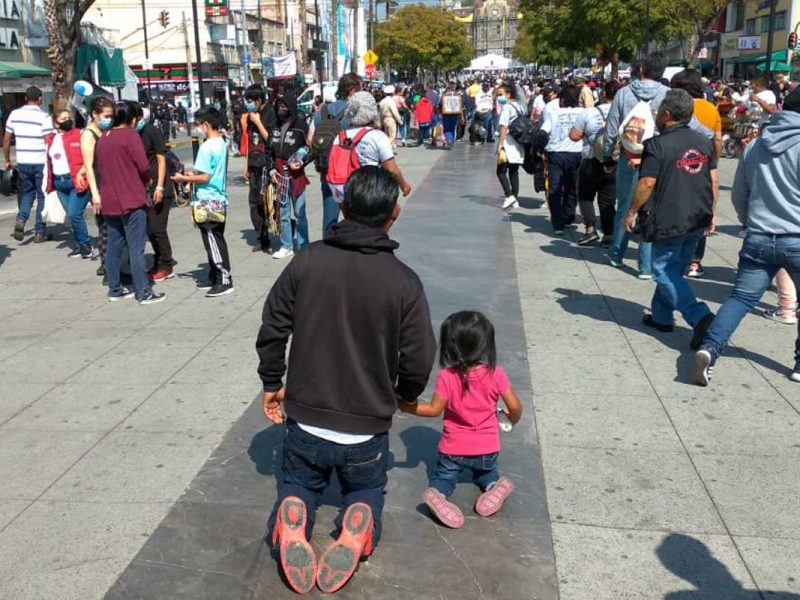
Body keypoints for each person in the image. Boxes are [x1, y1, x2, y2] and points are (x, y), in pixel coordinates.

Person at [257, 166, 436, 594]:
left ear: (341, 204)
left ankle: (296, 506)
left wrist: (271, 381)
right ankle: (358, 519)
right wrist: (405, 394)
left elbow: (273, 325)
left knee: (299, 478)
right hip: (366, 429)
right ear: (393, 214)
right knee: (367, 487)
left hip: (304, 418)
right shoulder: (404, 282)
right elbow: (420, 355)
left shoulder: (308, 260)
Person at [692, 87, 800, 386]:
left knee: (740, 297)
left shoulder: (755, 145)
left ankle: (709, 348)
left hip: (758, 235)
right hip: (797, 236)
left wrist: (747, 221)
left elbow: (740, 194)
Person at [399, 311, 522, 529]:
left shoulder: (447, 376)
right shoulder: (496, 373)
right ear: (486, 345)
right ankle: (494, 486)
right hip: (487, 448)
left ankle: (438, 494)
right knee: (486, 474)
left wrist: (406, 406)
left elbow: (434, 409)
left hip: (453, 449)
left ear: (450, 346)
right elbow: (514, 406)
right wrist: (512, 418)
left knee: (444, 479)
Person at [620, 90, 717, 347]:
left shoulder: (657, 144)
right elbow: (713, 180)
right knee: (674, 270)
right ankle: (662, 317)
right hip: (697, 215)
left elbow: (647, 182)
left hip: (670, 218)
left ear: (666, 114)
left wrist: (630, 212)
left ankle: (700, 316)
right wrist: (712, 212)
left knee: (663, 271)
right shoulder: (703, 141)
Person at [603, 52, 670, 280]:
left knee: (625, 205)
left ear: (641, 70)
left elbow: (611, 129)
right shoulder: (667, 95)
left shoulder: (623, 93)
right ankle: (645, 266)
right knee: (649, 210)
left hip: (628, 156)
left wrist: (607, 157)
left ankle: (615, 254)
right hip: (657, 157)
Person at [95, 101, 165, 305]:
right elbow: (143, 166)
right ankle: (143, 291)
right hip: (130, 196)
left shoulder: (105, 137)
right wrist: (148, 181)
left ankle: (114, 287)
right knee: (136, 246)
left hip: (110, 198)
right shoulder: (130, 135)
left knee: (114, 244)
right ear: (133, 118)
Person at [171, 108, 233, 298]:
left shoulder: (207, 147)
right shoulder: (221, 142)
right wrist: (193, 176)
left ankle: (224, 278)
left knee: (212, 238)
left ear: (206, 125)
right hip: (218, 196)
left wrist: (183, 178)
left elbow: (205, 176)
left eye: (198, 124)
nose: (198, 128)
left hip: (208, 199)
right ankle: (215, 274)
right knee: (215, 237)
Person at [671, 69, 722, 279]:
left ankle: (675, 255)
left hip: (677, 163)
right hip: (702, 163)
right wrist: (714, 160)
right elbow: (717, 139)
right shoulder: (710, 108)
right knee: (701, 209)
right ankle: (694, 262)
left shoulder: (675, 106)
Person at [329, 91, 412, 202]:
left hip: (348, 191)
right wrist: (404, 186)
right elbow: (392, 169)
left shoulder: (340, 136)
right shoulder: (377, 136)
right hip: (371, 190)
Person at [307, 73, 362, 236]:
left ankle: (328, 250)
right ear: (352, 91)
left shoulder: (321, 112)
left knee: (330, 218)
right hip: (351, 171)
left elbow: (310, 140)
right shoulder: (356, 111)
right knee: (355, 217)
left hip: (327, 169)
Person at [569, 80, 620, 246]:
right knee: (608, 200)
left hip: (591, 159)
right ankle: (609, 234)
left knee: (585, 196)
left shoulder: (588, 113)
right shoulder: (623, 113)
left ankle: (590, 230)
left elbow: (574, 136)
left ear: (604, 93)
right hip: (613, 161)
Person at [5, 86, 55, 243]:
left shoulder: (14, 114)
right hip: (40, 161)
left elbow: (6, 139)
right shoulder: (44, 117)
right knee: (41, 195)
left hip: (23, 161)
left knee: (27, 193)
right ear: (40, 99)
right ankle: (40, 232)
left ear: (25, 98)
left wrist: (7, 159)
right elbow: (49, 141)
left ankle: (21, 218)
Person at [268, 92, 311, 260]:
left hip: (296, 174)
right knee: (283, 212)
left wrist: (302, 161)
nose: (281, 110)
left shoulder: (301, 126)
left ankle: (303, 244)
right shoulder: (274, 126)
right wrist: (271, 170)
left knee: (300, 212)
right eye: (279, 107)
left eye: (284, 107)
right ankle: (286, 245)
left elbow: (310, 148)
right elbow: (268, 150)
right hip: (278, 173)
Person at [135, 106, 177, 282]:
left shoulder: (152, 131)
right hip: (143, 187)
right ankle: (159, 260)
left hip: (159, 187)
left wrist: (159, 186)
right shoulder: (132, 134)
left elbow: (161, 159)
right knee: (150, 229)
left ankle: (166, 264)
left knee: (157, 228)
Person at [45, 109, 93, 259]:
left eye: (68, 117)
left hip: (77, 180)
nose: (67, 120)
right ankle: (79, 244)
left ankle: (86, 245)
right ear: (56, 122)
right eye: (63, 118)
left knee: (74, 213)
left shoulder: (79, 134)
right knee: (72, 216)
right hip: (60, 182)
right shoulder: (51, 139)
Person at [542, 84, 584, 235]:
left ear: (563, 100)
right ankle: (568, 215)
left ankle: (557, 222)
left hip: (556, 153)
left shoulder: (555, 113)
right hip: (576, 153)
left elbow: (543, 132)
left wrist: (540, 149)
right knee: (572, 187)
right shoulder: (584, 113)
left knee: (554, 189)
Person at [241, 84, 278, 252]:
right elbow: (249, 141)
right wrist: (246, 165)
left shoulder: (270, 113)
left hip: (267, 164)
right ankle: (260, 237)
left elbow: (270, 138)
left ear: (259, 100)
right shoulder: (249, 116)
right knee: (254, 202)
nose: (248, 104)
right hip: (254, 164)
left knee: (268, 202)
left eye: (250, 101)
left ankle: (274, 231)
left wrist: (258, 121)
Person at [81, 96, 115, 279]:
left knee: (112, 227)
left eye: (111, 115)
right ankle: (106, 266)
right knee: (105, 228)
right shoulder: (88, 134)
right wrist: (95, 194)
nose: (109, 118)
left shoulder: (104, 130)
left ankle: (111, 263)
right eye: (106, 115)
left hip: (110, 182)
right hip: (99, 186)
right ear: (94, 114)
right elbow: (89, 164)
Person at [494, 83, 526, 211]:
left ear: (509, 94)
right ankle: (515, 198)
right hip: (518, 141)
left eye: (501, 94)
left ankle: (509, 195)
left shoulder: (507, 107)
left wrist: (500, 144)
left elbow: (503, 126)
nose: (499, 97)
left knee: (500, 171)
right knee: (514, 171)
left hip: (508, 141)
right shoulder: (520, 107)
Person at [379, 85, 402, 152]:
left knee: (387, 136)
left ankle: (388, 151)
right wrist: (400, 121)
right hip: (391, 119)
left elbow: (380, 112)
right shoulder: (391, 101)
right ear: (392, 93)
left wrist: (381, 122)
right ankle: (385, 151)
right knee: (392, 137)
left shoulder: (382, 101)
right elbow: (395, 112)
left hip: (384, 119)